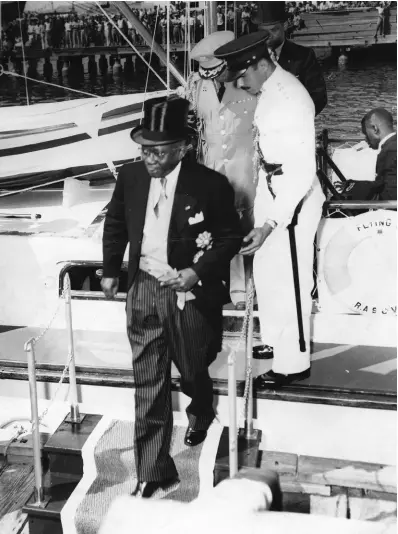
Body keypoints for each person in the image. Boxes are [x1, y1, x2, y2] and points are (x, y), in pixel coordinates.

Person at [101, 96, 241, 497]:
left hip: (190, 293)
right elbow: (114, 223)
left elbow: (229, 236)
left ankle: (200, 409)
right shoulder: (129, 178)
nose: (149, 157)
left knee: (194, 364)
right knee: (148, 380)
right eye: (144, 148)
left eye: (158, 151)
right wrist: (111, 269)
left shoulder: (211, 185)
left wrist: (196, 271)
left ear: (182, 148)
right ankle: (153, 469)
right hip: (144, 287)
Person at [215, 31, 325, 386]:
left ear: (261, 64)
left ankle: (294, 363)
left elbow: (303, 171)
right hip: (273, 186)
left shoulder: (291, 98)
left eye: (243, 75)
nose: (241, 83)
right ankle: (277, 339)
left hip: (294, 197)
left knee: (290, 279)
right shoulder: (268, 90)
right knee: (266, 271)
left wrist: (273, 221)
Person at [185, 31, 257, 310]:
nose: (212, 78)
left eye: (216, 71)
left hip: (243, 167)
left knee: (242, 228)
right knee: (211, 229)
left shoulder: (248, 84)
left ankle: (243, 293)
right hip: (210, 168)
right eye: (208, 73)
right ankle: (214, 285)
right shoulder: (197, 86)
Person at [251, 1, 327, 116]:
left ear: (285, 25)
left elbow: (319, 96)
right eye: (263, 31)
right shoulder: (250, 57)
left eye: (274, 30)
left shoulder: (304, 56)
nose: (268, 36)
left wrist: (295, 119)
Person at [338, 108, 397, 201]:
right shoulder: (392, 145)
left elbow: (390, 196)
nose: (366, 139)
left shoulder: (390, 151)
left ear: (375, 129)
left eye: (366, 133)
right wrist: (354, 185)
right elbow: (386, 182)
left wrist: (354, 190)